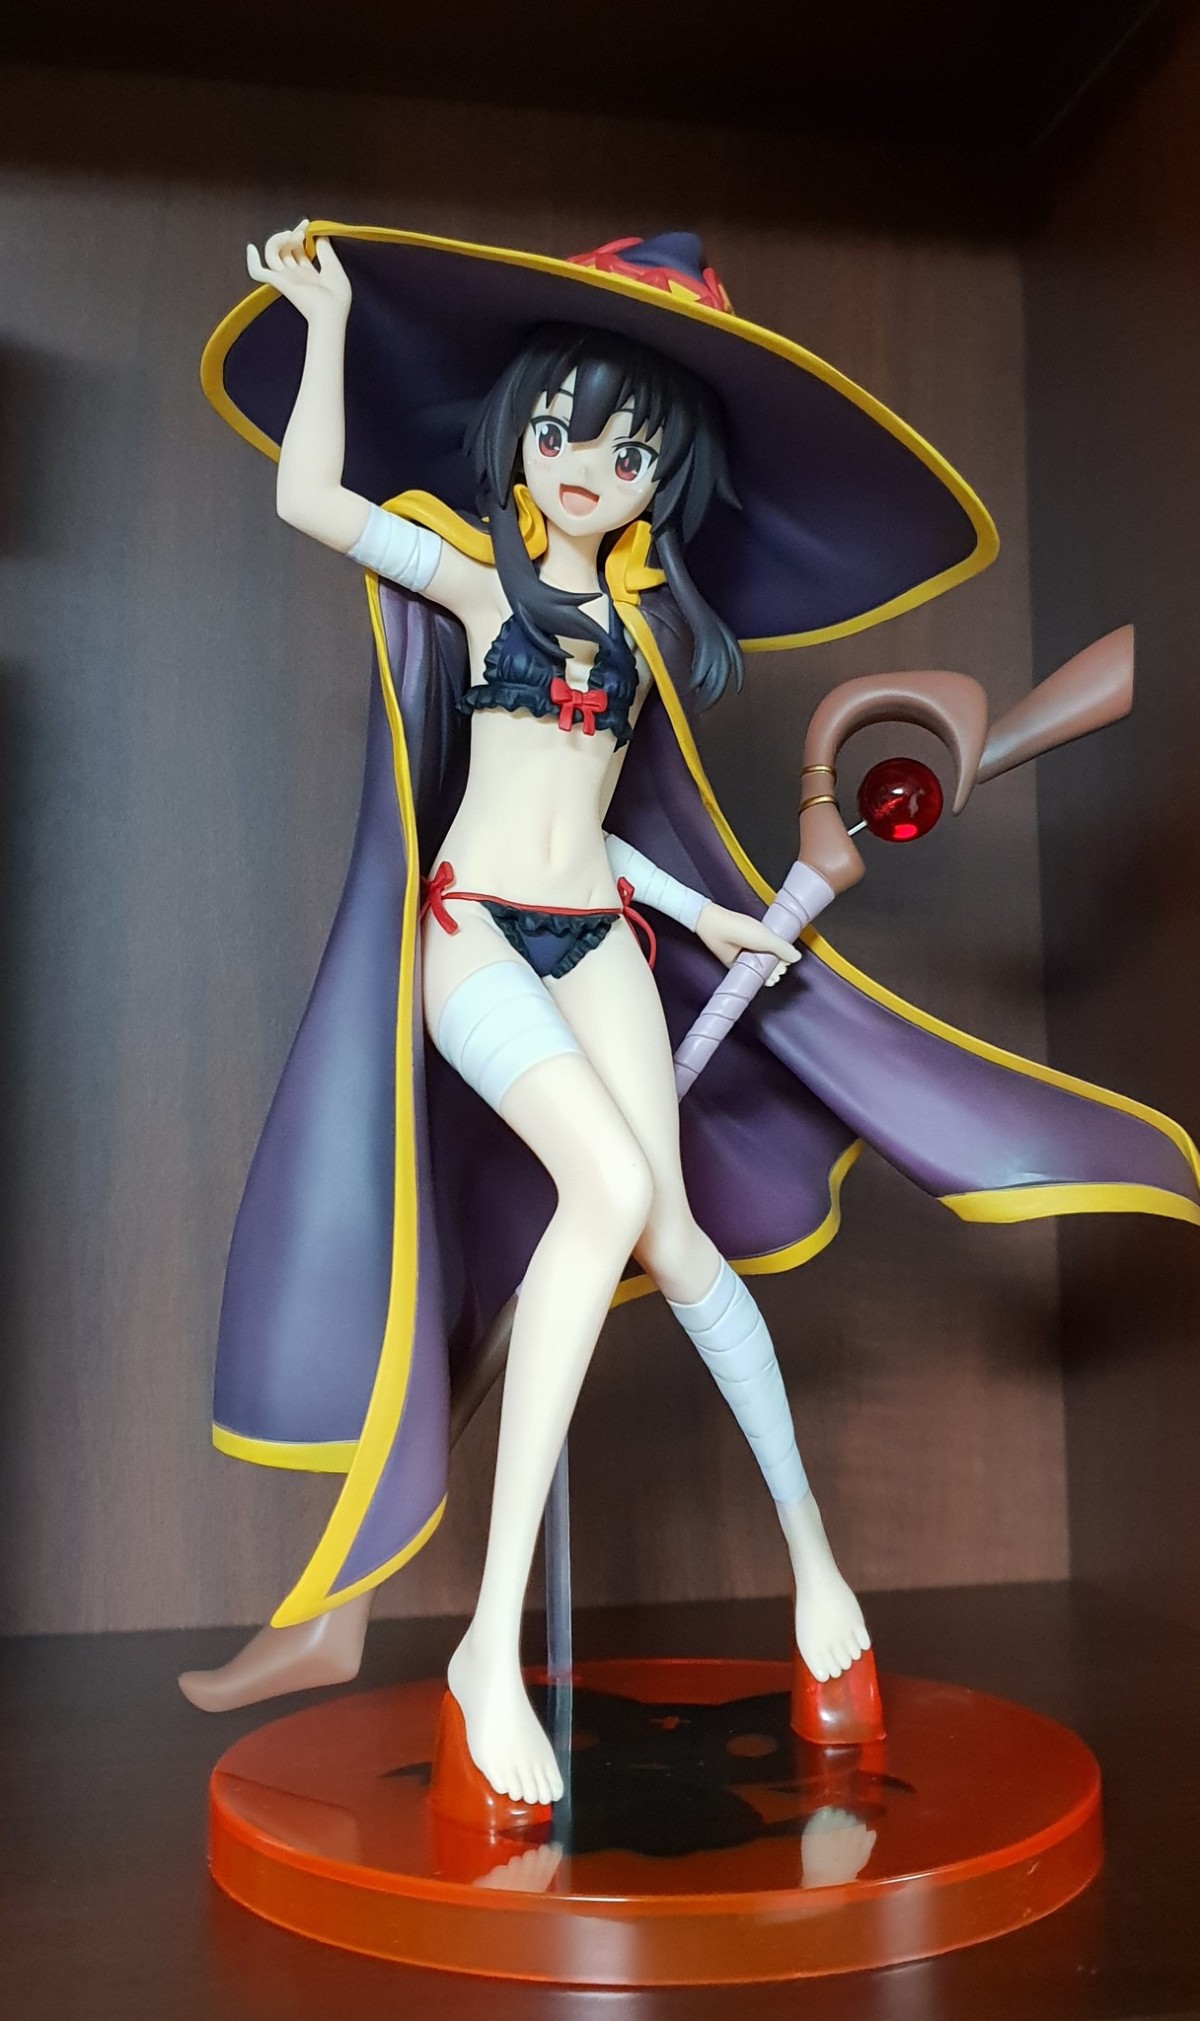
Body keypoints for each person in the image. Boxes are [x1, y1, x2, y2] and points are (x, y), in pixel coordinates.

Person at [182, 223, 1200, 1819]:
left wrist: (709, 912)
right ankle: (487, 1646)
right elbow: (312, 499)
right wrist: (321, 326)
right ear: (521, 429)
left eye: (630, 448)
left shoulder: (646, 639)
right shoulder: (474, 581)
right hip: (474, 936)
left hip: (599, 936)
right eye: (565, 426)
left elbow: (600, 826)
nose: (589, 464)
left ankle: (815, 1569)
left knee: (677, 1240)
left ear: (669, 483)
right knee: (601, 1190)